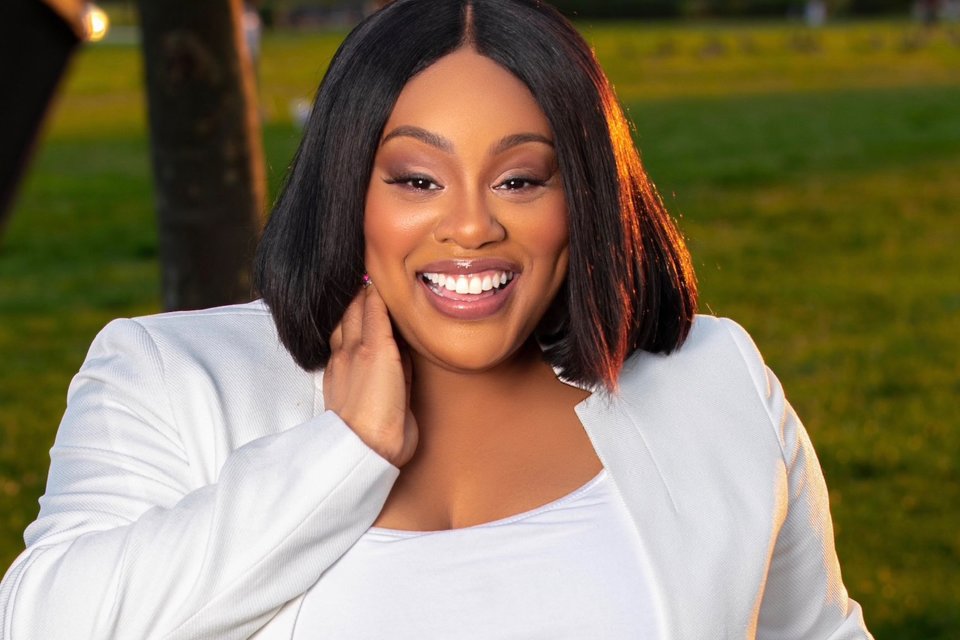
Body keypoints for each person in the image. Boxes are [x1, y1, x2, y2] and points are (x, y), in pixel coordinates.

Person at [0, 1, 873, 638]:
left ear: (584, 196)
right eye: (417, 179)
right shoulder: (173, 378)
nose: (470, 225)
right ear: (349, 190)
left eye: (520, 179)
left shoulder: (714, 380)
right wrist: (343, 453)